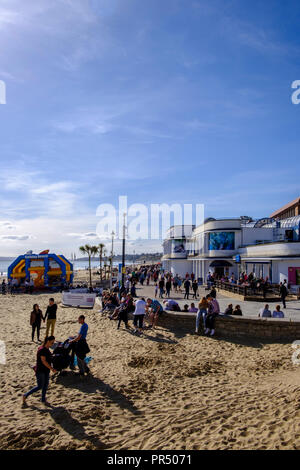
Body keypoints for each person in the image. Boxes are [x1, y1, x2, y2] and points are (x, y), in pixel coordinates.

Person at [23, 336, 57, 406]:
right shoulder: (42, 350)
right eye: (52, 342)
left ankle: (43, 399)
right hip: (40, 370)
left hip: (46, 370)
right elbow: (43, 361)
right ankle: (26, 395)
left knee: (46, 384)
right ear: (47, 341)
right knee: (40, 386)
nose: (52, 344)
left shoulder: (46, 349)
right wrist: (52, 369)